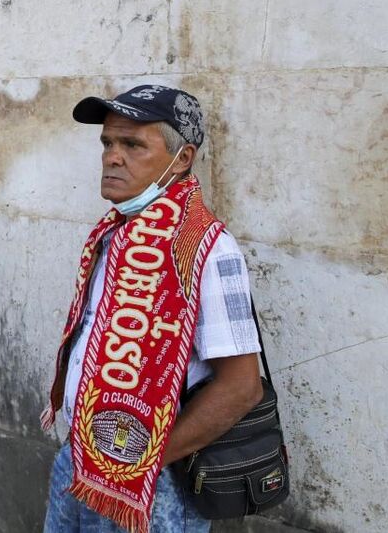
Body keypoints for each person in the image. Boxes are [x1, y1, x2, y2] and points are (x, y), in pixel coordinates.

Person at [41, 85, 264, 533]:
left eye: (132, 144)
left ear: (182, 159)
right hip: (78, 461)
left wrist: (142, 461)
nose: (112, 157)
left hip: (151, 488)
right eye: (107, 142)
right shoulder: (112, 234)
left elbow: (243, 387)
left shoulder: (207, 247)